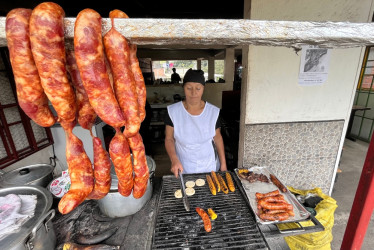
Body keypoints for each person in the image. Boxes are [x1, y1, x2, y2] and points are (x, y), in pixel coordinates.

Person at [164, 68, 227, 178]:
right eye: (189, 88)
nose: (193, 93)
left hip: (209, 166)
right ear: (183, 88)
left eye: (198, 88)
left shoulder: (213, 112)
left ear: (203, 88)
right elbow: (169, 138)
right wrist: (174, 159)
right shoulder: (173, 111)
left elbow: (217, 138)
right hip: (183, 165)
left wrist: (223, 164)